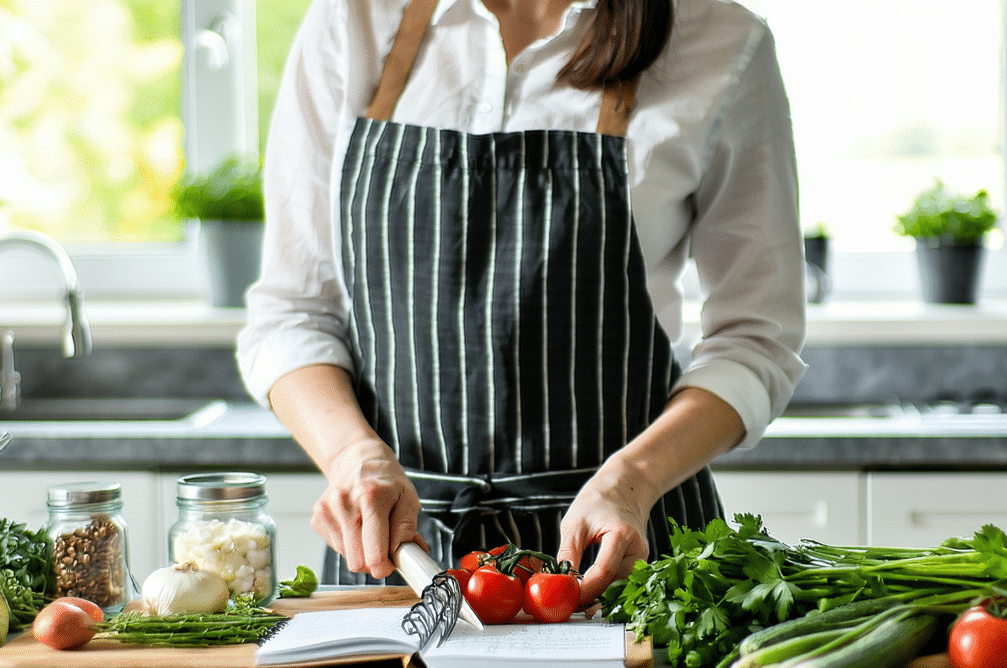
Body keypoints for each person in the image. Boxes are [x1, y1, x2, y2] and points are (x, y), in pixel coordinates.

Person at [236, 0, 806, 603]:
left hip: (622, 557)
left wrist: (632, 480)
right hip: (397, 558)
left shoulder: (721, 41)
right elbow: (292, 312)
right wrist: (352, 457)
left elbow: (755, 340)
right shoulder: (355, 21)